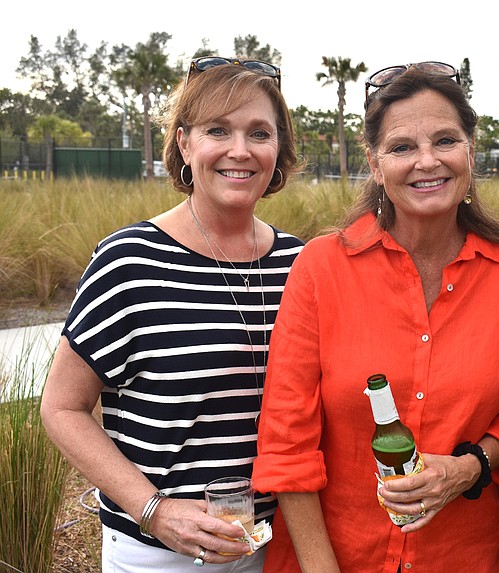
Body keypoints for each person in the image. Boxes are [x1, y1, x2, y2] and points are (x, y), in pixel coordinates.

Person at [252, 63, 499, 572]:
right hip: (333, 557)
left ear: (470, 151)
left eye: (445, 141)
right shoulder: (321, 268)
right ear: (375, 161)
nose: (426, 162)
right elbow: (286, 444)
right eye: (402, 147)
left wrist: (467, 468)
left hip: (463, 557)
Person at [40, 57, 304, 572]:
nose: (240, 150)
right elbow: (62, 409)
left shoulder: (300, 264)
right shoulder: (129, 262)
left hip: (275, 547)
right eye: (217, 130)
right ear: (184, 143)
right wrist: (155, 511)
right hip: (160, 554)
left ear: (279, 148)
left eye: (259, 133)